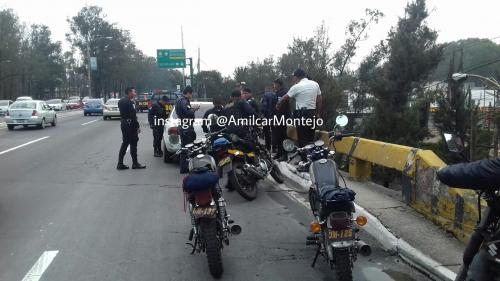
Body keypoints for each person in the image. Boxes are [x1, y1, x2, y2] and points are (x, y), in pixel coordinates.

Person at [276, 69, 322, 147]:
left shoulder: (296, 86)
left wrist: (278, 105)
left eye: (293, 77)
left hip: (302, 115)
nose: (293, 79)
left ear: (296, 77)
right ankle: (311, 157)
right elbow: (319, 100)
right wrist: (318, 114)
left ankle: (304, 158)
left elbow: (284, 98)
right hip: (312, 114)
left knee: (303, 140)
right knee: (310, 138)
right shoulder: (315, 84)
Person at [117, 87, 146, 170]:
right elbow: (133, 116)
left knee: (125, 143)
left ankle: (120, 163)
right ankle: (135, 163)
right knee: (133, 143)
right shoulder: (129, 102)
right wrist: (137, 126)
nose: (135, 93)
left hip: (123, 123)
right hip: (130, 125)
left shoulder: (121, 101)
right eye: (134, 92)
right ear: (129, 93)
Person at [175, 86, 200, 173]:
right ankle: (186, 167)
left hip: (183, 125)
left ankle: (184, 167)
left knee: (184, 147)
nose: (191, 96)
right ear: (188, 93)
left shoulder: (179, 100)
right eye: (191, 94)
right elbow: (187, 112)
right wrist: (194, 109)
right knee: (188, 146)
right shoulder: (184, 101)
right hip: (187, 126)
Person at [272, 78, 290, 160]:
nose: (274, 85)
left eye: (274, 84)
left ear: (278, 84)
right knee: (278, 136)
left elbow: (280, 108)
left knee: (282, 137)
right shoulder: (279, 92)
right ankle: (279, 153)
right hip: (279, 117)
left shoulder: (282, 93)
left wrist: (277, 119)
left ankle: (284, 155)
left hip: (281, 118)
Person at [260, 86, 278, 151]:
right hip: (274, 116)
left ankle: (267, 147)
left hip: (266, 116)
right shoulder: (275, 95)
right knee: (274, 131)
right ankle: (274, 147)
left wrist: (262, 114)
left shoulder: (264, 95)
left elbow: (264, 106)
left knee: (267, 132)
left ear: (266, 90)